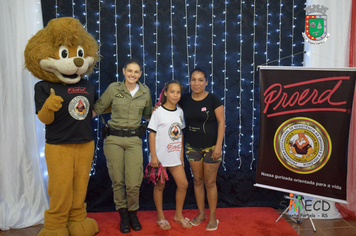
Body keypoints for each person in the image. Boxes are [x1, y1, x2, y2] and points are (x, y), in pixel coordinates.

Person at [93, 59, 152, 233]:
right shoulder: (113, 89)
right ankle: (123, 214)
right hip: (114, 140)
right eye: (130, 71)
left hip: (134, 140)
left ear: (140, 74)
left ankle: (133, 212)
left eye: (136, 72)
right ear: (124, 71)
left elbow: (149, 116)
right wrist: (74, 120)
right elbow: (97, 108)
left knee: (134, 183)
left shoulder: (145, 92)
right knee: (118, 180)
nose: (133, 74)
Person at [178, 67, 225, 231]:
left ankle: (213, 217)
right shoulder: (184, 99)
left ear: (206, 82)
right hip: (192, 147)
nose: (196, 83)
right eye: (193, 79)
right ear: (190, 81)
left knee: (210, 182)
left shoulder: (213, 99)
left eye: (200, 80)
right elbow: (172, 113)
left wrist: (218, 146)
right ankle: (201, 214)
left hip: (212, 147)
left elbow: (221, 123)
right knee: (197, 181)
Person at [148, 81, 192, 230]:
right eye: (172, 92)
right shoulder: (158, 111)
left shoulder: (180, 111)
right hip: (160, 157)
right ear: (165, 93)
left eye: (178, 92)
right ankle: (160, 216)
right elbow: (152, 134)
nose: (175, 95)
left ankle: (178, 215)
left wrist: (181, 155)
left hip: (175, 156)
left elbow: (180, 134)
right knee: (160, 185)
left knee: (183, 184)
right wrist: (153, 156)